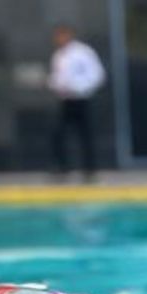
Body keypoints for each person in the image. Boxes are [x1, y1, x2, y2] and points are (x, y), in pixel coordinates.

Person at [47, 24, 106, 179]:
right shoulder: (58, 56)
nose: (59, 39)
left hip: (81, 100)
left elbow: (97, 74)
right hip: (66, 100)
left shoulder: (82, 52)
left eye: (62, 35)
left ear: (69, 35)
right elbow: (57, 78)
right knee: (58, 134)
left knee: (85, 135)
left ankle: (89, 170)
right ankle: (62, 168)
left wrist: (80, 88)